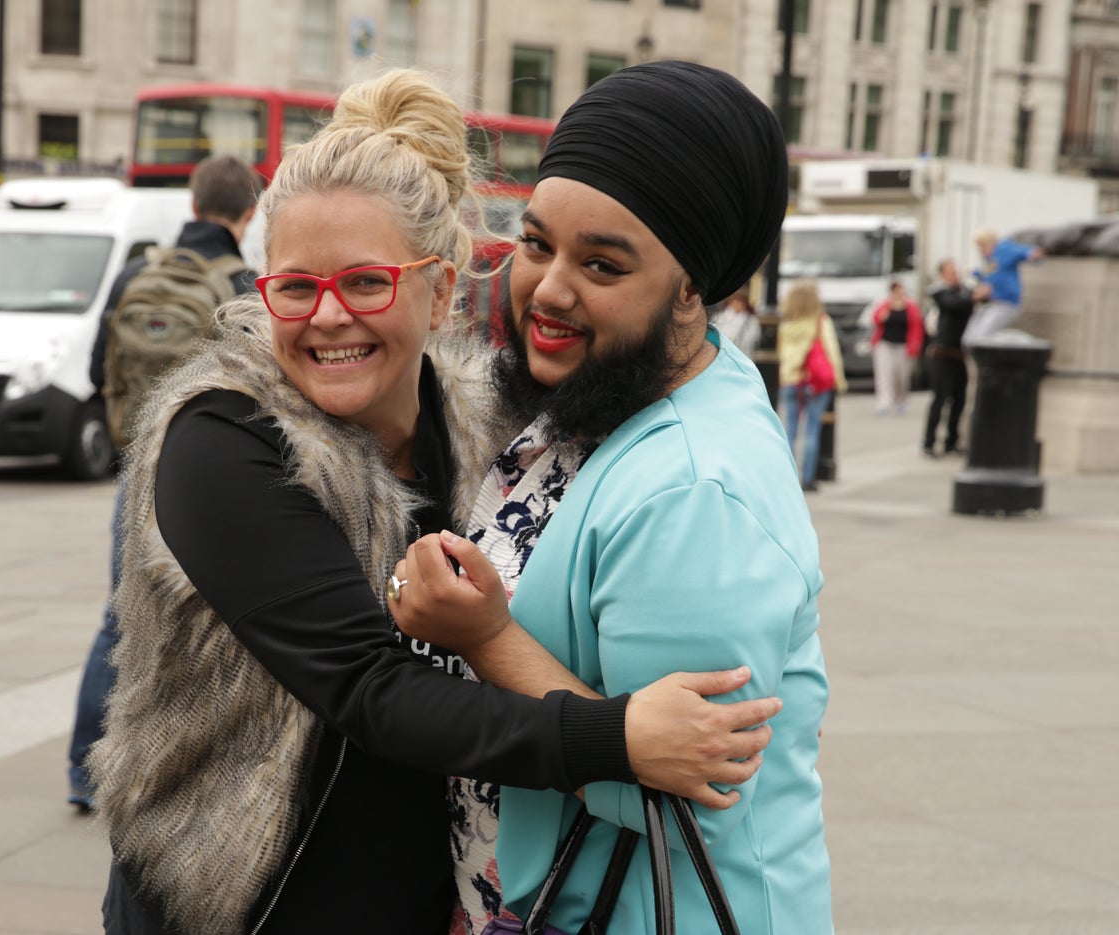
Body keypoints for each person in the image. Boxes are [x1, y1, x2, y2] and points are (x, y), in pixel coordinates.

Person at [86, 68, 781, 935]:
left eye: (367, 282)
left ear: (442, 290)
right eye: (296, 287)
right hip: (238, 908)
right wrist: (620, 738)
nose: (329, 316)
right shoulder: (220, 441)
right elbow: (370, 689)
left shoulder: (493, 422)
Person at [389, 60, 832, 935]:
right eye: (538, 242)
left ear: (695, 291)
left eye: (602, 263)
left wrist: (483, 636)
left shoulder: (692, 490)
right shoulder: (612, 392)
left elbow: (683, 793)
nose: (549, 289)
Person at [65, 154, 260, 810]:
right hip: (207, 476)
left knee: (120, 616)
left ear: (194, 202)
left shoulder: (133, 273)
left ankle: (83, 773)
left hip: (135, 466)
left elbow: (98, 369)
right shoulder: (239, 281)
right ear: (249, 212)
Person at [778, 278, 847, 493]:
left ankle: (786, 478)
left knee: (790, 431)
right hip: (814, 381)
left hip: (790, 379)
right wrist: (839, 379)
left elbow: (780, 351)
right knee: (811, 431)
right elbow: (831, 350)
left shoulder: (786, 322)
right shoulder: (820, 320)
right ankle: (808, 478)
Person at [923, 258, 975, 457]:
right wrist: (973, 295)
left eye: (956, 271)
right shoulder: (939, 292)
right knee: (939, 400)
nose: (956, 274)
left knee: (959, 400)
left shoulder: (963, 291)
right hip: (942, 355)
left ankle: (951, 441)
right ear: (943, 274)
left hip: (959, 355)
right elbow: (954, 305)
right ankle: (929, 442)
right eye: (951, 271)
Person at [963, 228, 1044, 347]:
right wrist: (975, 273)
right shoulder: (990, 259)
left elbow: (1025, 253)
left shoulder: (1004, 249)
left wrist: (1033, 254)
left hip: (1005, 302)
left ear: (990, 244)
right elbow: (991, 273)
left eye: (983, 247)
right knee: (968, 339)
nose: (981, 252)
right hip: (991, 303)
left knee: (981, 337)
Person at [868, 279, 925, 415]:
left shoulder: (910, 306)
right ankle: (884, 402)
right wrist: (884, 314)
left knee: (901, 376)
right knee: (884, 374)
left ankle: (901, 400)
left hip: (903, 345)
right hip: (885, 344)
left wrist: (916, 343)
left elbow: (917, 326)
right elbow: (875, 319)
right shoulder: (885, 305)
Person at [710, 288, 760, 358]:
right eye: (735, 301)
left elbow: (754, 338)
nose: (737, 304)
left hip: (744, 355)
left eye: (741, 302)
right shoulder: (720, 317)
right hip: (723, 355)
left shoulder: (751, 320)